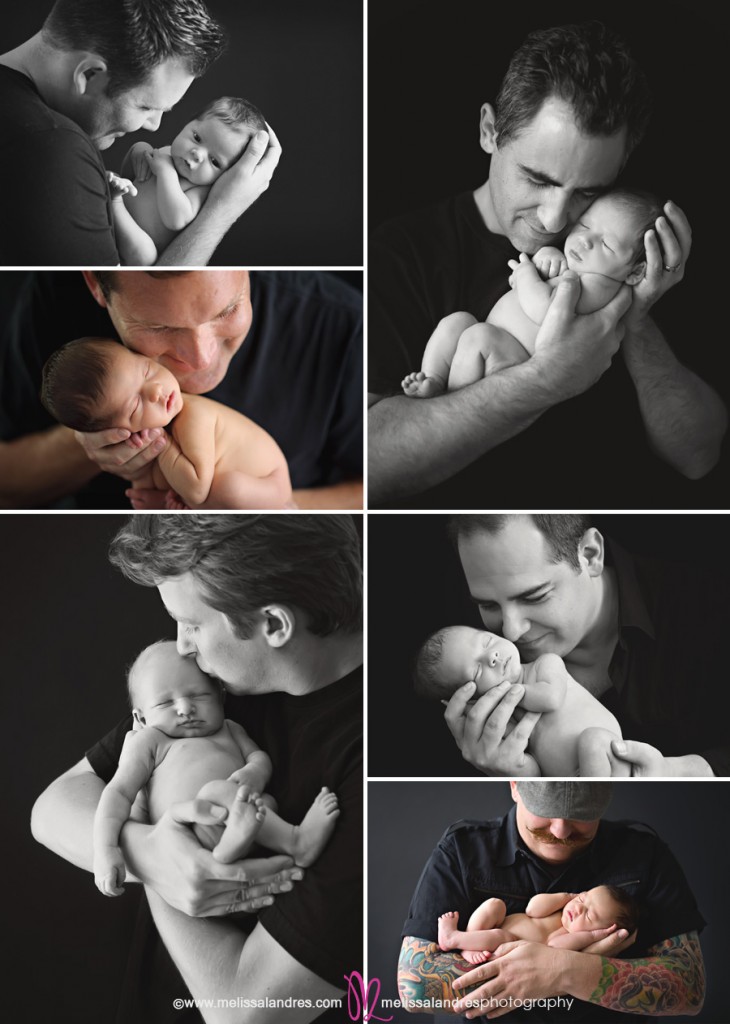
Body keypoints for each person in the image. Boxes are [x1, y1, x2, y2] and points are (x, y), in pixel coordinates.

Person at [369, 20, 727, 507]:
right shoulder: (399, 254)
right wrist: (548, 380)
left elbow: (699, 456)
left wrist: (638, 320)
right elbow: (368, 463)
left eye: (587, 191)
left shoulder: (636, 248)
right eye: (537, 179)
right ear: (489, 131)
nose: (555, 217)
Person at [31, 514, 363, 1022]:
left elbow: (243, 1012)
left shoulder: (367, 760)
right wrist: (151, 854)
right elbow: (54, 805)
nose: (181, 646)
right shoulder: (211, 685)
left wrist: (160, 853)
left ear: (273, 624)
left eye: (191, 626)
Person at [0, 270, 363, 509]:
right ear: (96, 285)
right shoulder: (54, 302)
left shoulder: (341, 322)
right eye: (159, 327)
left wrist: (273, 513)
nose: (201, 358)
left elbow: (375, 489)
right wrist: (84, 445)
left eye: (228, 310)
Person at [442, 514, 730, 777]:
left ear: (590, 555)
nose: (510, 630)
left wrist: (685, 771)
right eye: (488, 605)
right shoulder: (466, 654)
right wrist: (520, 778)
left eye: (534, 597)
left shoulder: (707, 609)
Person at [0, 0, 281, 266]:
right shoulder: (53, 150)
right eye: (146, 106)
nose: (154, 125)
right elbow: (136, 302)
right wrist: (222, 210)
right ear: (90, 76)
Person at [397, 781, 706, 1021]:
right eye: (545, 808)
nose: (561, 829)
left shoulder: (643, 853)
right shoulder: (462, 850)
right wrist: (546, 971)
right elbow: (415, 987)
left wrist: (563, 970)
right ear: (515, 786)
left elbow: (689, 988)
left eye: (581, 814)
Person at [94, 641, 338, 896]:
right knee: (217, 792)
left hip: (248, 839)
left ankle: (230, 848)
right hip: (187, 837)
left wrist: (253, 772)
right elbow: (118, 793)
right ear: (141, 719)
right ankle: (296, 841)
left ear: (221, 697)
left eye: (198, 695)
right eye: (166, 704)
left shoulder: (230, 729)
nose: (186, 709)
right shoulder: (150, 741)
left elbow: (258, 757)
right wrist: (106, 850)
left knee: (263, 802)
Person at [401, 190, 661, 397]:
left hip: (512, 360)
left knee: (477, 337)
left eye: (606, 244)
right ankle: (433, 378)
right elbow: (556, 277)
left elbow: (546, 310)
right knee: (457, 321)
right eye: (584, 225)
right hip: (496, 337)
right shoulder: (583, 265)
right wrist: (547, 256)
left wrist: (526, 275)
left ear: (635, 272)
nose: (584, 240)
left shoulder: (603, 287)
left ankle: (452, 398)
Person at [41, 337, 294, 510]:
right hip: (224, 495)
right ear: (117, 432)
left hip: (271, 483)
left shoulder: (193, 416)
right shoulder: (139, 442)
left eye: (147, 371)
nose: (155, 392)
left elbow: (196, 489)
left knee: (229, 489)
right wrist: (152, 492)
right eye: (135, 406)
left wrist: (162, 446)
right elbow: (145, 491)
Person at [414, 625, 626, 776]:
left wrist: (510, 693)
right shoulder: (503, 721)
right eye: (477, 671)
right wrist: (516, 767)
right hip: (575, 779)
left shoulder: (545, 664)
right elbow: (530, 769)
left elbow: (550, 698)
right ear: (469, 698)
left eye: (487, 641)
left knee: (593, 740)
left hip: (606, 750)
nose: (492, 657)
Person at [111, 97, 267, 266]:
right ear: (188, 123)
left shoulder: (200, 189)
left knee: (145, 253)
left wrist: (166, 172)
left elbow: (176, 220)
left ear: (227, 174)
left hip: (134, 250)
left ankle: (114, 202)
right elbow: (129, 176)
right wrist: (139, 152)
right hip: (112, 225)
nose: (197, 154)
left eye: (214, 161)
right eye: (197, 138)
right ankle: (113, 202)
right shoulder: (167, 153)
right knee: (114, 172)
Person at [437, 884, 638, 962]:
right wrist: (567, 895)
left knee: (503, 937)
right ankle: (468, 943)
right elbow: (532, 909)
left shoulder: (567, 936)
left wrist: (592, 937)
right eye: (583, 898)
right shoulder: (559, 909)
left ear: (602, 932)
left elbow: (553, 947)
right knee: (494, 905)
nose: (577, 908)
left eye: (589, 916)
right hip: (490, 927)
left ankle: (454, 938)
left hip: (502, 947)